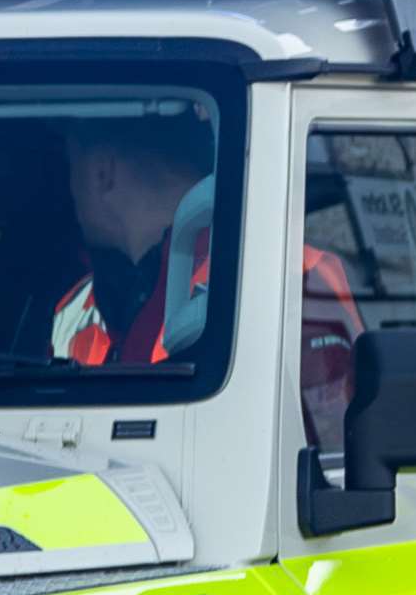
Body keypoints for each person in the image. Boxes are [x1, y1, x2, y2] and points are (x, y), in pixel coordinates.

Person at [48, 115, 364, 446]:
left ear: (103, 173)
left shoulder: (287, 275)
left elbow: (327, 442)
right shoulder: (81, 304)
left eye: (71, 167)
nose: (69, 191)